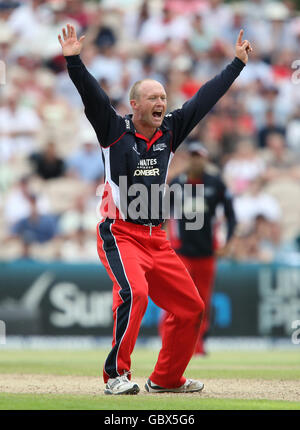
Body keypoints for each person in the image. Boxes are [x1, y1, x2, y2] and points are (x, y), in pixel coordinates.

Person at [58, 24, 251, 395]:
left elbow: (204, 100)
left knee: (192, 308)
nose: (161, 103)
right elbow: (92, 97)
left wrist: (236, 65)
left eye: (163, 97)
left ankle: (165, 379)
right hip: (120, 233)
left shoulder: (170, 131)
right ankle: (116, 375)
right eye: (152, 98)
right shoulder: (114, 130)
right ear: (135, 105)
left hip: (157, 239)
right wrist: (74, 61)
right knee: (138, 294)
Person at [161, 142, 237, 356]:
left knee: (202, 301)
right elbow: (163, 215)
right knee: (177, 298)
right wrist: (162, 240)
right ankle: (169, 341)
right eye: (193, 156)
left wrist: (228, 242)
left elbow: (231, 215)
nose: (196, 160)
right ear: (188, 158)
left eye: (199, 156)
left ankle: (198, 345)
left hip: (206, 252)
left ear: (205, 159)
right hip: (181, 251)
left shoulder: (216, 183)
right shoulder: (177, 183)